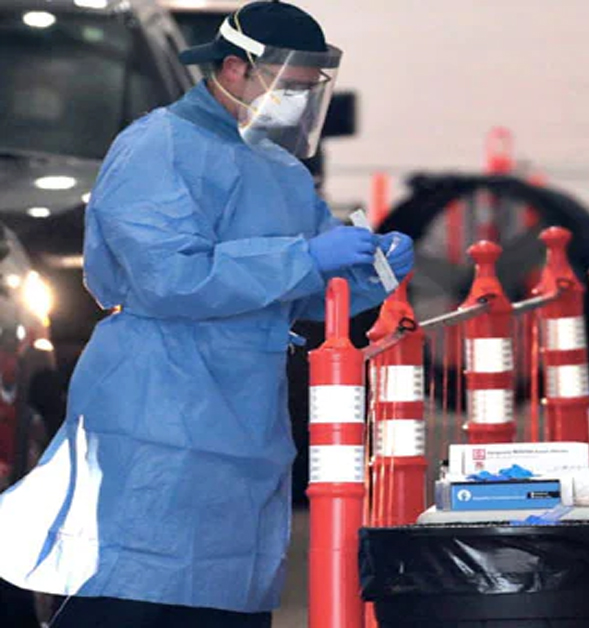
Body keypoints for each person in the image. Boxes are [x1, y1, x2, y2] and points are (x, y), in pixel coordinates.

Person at [0, 3, 413, 627]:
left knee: (226, 594)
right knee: (134, 586)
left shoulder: (279, 169)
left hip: (246, 414)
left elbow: (304, 295)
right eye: (289, 86)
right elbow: (169, 278)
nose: (297, 102)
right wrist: (302, 256)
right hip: (158, 405)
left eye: (308, 90)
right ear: (234, 68)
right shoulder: (158, 147)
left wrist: (371, 272)